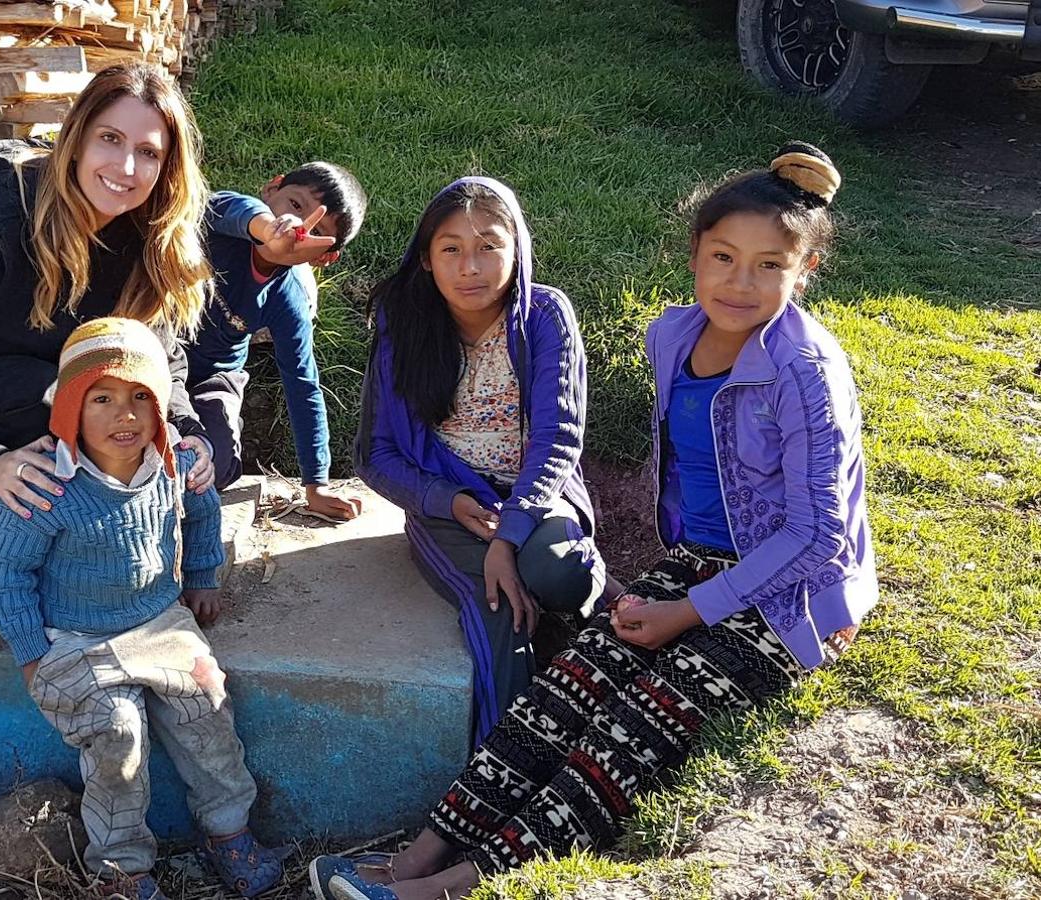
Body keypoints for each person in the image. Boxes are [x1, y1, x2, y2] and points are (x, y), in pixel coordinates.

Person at [310, 142, 878, 900]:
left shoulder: (805, 372)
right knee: (567, 686)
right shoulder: (674, 337)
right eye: (722, 257)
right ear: (693, 258)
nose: (740, 282)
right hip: (698, 560)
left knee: (633, 724)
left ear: (803, 272)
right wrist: (679, 591)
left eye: (769, 265)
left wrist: (688, 611)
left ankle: (451, 888)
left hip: (790, 598)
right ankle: (418, 855)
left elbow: (817, 540)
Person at [0, 62, 216, 593]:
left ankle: (83, 520)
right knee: (75, 394)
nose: (125, 166)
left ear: (167, 168)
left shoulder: (152, 238)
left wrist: (188, 433)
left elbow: (161, 359)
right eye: (110, 139)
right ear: (76, 139)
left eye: (148, 152)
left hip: (58, 395)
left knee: (112, 398)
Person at [0, 318, 281, 900]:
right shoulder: (47, 485)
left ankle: (229, 832)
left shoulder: (171, 464)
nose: (125, 415)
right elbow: (6, 574)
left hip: (160, 620)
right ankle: (122, 869)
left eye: (140, 398)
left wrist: (201, 579)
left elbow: (202, 515)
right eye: (102, 398)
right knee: (118, 738)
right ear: (70, 407)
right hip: (73, 636)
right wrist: (30, 652)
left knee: (207, 708)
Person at [354, 177, 606, 745]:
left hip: (535, 495)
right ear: (426, 260)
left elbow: (559, 437)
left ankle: (589, 604)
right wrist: (447, 500)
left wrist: (509, 536)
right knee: (498, 606)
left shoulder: (544, 316)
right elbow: (377, 455)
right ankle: (504, 763)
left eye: (490, 246)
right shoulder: (403, 325)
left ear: (518, 250)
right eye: (451, 249)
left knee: (563, 573)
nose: (471, 266)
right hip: (449, 506)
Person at [187, 162, 369, 520]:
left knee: (217, 465)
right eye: (295, 205)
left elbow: (303, 385)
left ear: (324, 257)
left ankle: (220, 432)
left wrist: (316, 483)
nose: (298, 228)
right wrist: (270, 227)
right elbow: (234, 209)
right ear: (271, 189)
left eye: (316, 232)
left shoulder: (290, 298)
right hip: (153, 352)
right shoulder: (224, 219)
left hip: (212, 377)